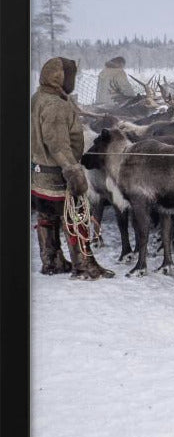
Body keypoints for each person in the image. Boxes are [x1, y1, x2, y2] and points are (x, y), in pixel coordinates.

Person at [31, 57, 115, 279]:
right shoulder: (56, 106)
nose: (73, 81)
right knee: (75, 218)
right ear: (60, 77)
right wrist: (73, 172)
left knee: (47, 217)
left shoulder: (39, 97)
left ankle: (52, 261)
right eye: (71, 76)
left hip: (40, 174)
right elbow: (57, 144)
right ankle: (83, 266)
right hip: (59, 175)